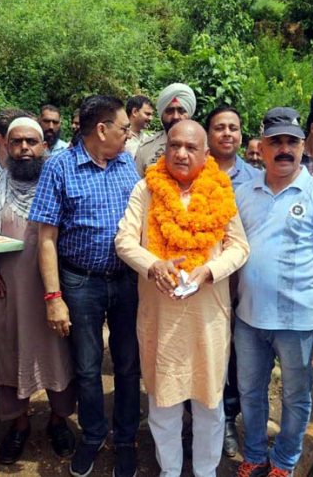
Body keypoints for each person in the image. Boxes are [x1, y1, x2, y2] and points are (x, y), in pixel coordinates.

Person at [115, 120, 249, 477]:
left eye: (191, 148)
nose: (181, 153)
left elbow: (239, 247)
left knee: (209, 403)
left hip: (208, 317)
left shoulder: (221, 191)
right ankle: (170, 470)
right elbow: (125, 241)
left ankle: (206, 470)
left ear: (206, 155)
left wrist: (210, 270)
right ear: (165, 150)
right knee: (163, 403)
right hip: (161, 317)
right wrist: (153, 264)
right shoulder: (146, 190)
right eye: (174, 146)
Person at [29, 95, 141, 477]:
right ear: (102, 129)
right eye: (124, 128)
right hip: (81, 282)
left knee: (128, 364)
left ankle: (125, 438)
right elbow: (46, 238)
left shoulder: (127, 163)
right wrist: (54, 297)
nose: (129, 134)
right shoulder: (59, 167)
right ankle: (93, 435)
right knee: (89, 366)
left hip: (127, 281)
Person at [235, 107, 313, 477]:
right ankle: (254, 454)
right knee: (250, 392)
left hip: (297, 320)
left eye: (291, 142)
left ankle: (284, 461)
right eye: (275, 142)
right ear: (262, 146)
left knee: (295, 396)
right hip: (248, 318)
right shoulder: (244, 193)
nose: (284, 149)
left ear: (303, 145)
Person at [0, 117, 76, 464]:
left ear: (44, 146)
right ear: (5, 145)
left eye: (31, 142)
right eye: (16, 142)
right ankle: (18, 425)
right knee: (12, 359)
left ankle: (58, 421)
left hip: (54, 295)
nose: (24, 150)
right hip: (10, 299)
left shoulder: (59, 187)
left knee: (59, 359)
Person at [203, 105, 259, 457]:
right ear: (208, 133)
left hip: (243, 286)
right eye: (219, 127)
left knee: (236, 359)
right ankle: (195, 420)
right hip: (201, 287)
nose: (227, 133)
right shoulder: (193, 171)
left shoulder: (256, 179)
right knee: (203, 355)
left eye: (233, 128)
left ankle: (225, 421)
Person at [134, 83, 196, 176]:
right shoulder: (145, 148)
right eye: (170, 111)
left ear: (189, 113)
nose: (175, 116)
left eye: (181, 110)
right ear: (161, 115)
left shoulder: (203, 146)